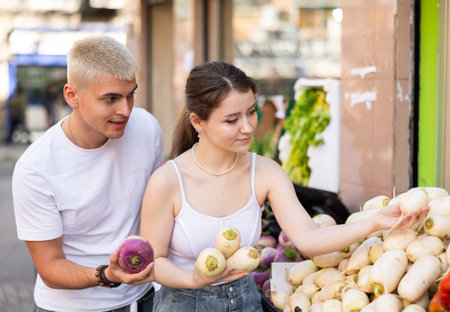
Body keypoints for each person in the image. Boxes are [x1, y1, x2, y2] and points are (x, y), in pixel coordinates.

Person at [140, 61, 428, 312]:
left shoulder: (265, 172)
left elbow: (308, 239)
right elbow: (154, 262)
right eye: (232, 120)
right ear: (197, 122)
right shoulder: (167, 180)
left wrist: (375, 222)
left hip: (246, 303)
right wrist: (193, 279)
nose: (248, 127)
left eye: (251, 112)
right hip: (183, 305)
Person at [12, 36, 164, 312]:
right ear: (72, 96)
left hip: (144, 299)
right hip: (68, 308)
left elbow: (162, 206)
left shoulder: (147, 128)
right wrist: (108, 275)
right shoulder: (35, 168)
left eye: (130, 94)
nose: (126, 110)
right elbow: (50, 268)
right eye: (111, 99)